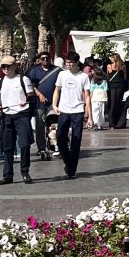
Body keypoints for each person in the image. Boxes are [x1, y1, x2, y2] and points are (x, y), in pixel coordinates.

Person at [0, 55, 36, 186]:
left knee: (24, 144)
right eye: (3, 66)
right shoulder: (0, 82)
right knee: (7, 147)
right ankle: (8, 175)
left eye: (8, 66)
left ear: (15, 66)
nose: (5, 69)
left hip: (22, 115)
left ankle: (25, 172)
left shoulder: (23, 79)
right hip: (7, 116)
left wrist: (26, 101)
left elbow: (31, 96)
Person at [51, 51, 90, 180]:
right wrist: (54, 105)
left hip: (78, 111)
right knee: (60, 137)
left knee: (76, 141)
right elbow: (57, 90)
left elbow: (87, 96)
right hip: (64, 110)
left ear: (77, 63)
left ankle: (71, 169)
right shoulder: (62, 74)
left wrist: (89, 115)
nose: (68, 65)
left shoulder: (83, 76)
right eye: (67, 63)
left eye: (71, 63)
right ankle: (68, 161)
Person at [106, 55, 129, 130]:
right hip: (120, 86)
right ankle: (120, 123)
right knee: (119, 104)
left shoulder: (109, 66)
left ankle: (112, 124)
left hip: (112, 86)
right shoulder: (123, 66)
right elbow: (125, 78)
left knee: (112, 104)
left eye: (111, 58)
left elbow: (108, 77)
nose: (110, 59)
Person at [88, 63, 108, 130]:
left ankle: (95, 122)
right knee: (101, 111)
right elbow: (105, 90)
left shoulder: (93, 81)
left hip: (95, 98)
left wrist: (90, 98)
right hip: (102, 98)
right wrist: (106, 98)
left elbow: (91, 91)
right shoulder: (104, 82)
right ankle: (100, 124)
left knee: (95, 111)